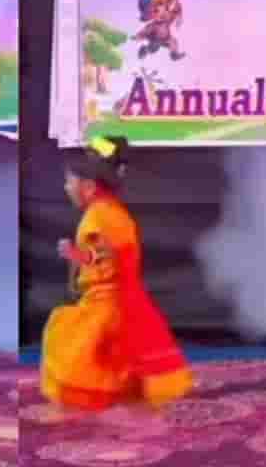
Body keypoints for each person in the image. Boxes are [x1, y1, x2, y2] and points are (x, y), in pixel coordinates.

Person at [41, 135, 193, 410]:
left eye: (69, 181)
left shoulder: (99, 215)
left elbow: (101, 256)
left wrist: (74, 254)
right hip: (116, 299)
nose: (65, 187)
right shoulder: (110, 211)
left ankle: (92, 401)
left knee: (68, 342)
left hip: (107, 304)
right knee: (116, 356)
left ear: (88, 187)